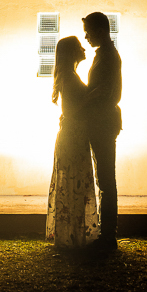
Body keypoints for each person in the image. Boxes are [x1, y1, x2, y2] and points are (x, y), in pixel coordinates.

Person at [45, 35, 100, 248]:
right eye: (79, 47)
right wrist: (91, 97)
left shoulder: (68, 75)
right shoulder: (69, 76)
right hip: (73, 134)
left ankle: (74, 234)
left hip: (73, 133)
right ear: (71, 53)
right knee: (75, 183)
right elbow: (72, 109)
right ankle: (73, 236)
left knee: (74, 183)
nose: (84, 48)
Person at [82, 11, 122, 250]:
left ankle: (109, 236)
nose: (85, 36)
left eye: (88, 31)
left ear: (99, 30)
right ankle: (107, 234)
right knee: (105, 179)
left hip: (103, 122)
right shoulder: (106, 54)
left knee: (106, 180)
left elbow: (103, 91)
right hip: (104, 121)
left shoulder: (107, 56)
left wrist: (82, 101)